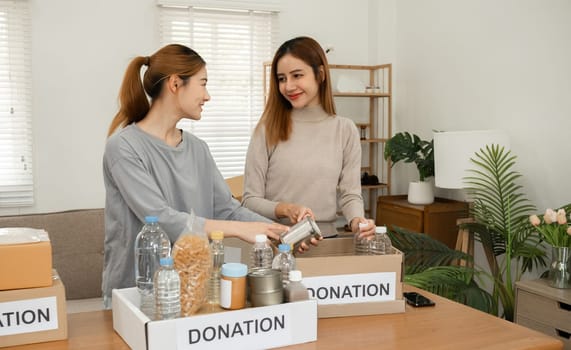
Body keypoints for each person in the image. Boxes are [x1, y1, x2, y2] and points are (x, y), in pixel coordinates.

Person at [102, 44, 293, 308]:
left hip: (193, 293)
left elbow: (227, 209)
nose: (207, 95)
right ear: (175, 84)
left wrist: (280, 232)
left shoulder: (197, 148)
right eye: (202, 84)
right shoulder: (123, 147)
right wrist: (242, 230)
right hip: (136, 295)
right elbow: (161, 219)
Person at [242, 36, 376, 239]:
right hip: (278, 242)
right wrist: (287, 209)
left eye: (297, 75)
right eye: (282, 78)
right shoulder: (267, 130)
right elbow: (250, 200)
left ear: (320, 74)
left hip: (326, 240)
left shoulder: (345, 129)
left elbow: (350, 194)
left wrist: (358, 221)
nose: (288, 86)